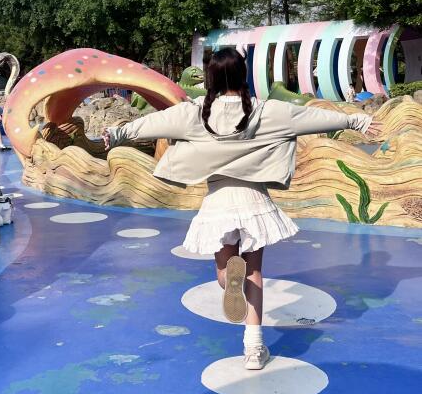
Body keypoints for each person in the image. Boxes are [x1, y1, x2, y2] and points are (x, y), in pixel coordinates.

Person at [103, 48, 382, 371]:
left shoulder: (195, 113)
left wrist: (117, 133)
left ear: (210, 78)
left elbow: (154, 123)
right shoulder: (266, 111)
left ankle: (227, 282)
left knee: (226, 273)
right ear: (242, 75)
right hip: (253, 202)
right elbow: (310, 118)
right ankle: (254, 348)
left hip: (219, 202)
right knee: (255, 273)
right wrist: (357, 119)